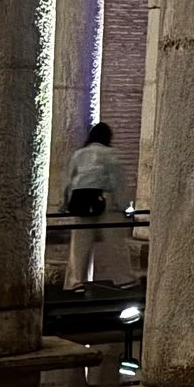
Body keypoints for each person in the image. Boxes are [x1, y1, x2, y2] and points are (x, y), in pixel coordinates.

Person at [63, 122, 127, 288]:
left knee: (80, 243)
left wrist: (64, 204)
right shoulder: (110, 154)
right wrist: (123, 205)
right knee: (115, 241)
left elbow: (69, 181)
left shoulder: (79, 154)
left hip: (81, 201)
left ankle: (76, 281)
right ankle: (124, 278)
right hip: (104, 200)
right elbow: (116, 181)